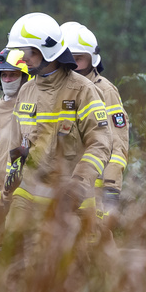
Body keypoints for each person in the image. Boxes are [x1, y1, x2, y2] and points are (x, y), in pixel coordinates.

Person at [3, 12, 112, 246]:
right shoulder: (26, 91)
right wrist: (7, 186)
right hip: (29, 196)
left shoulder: (83, 90)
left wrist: (78, 187)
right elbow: (15, 147)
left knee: (78, 260)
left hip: (73, 200)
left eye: (30, 52)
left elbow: (100, 144)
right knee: (13, 252)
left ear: (49, 50)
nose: (24, 59)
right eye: (21, 52)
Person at [60, 21, 128, 233]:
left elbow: (117, 144)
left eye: (78, 58)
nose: (73, 65)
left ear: (92, 59)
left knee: (96, 243)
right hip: (62, 189)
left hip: (94, 190)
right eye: (68, 58)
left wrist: (111, 189)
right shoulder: (58, 90)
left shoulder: (104, 91)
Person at [0, 48, 31, 243]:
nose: (8, 80)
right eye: (4, 75)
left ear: (25, 77)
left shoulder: (34, 109)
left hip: (29, 196)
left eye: (13, 75)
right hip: (2, 198)